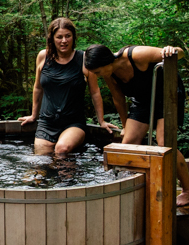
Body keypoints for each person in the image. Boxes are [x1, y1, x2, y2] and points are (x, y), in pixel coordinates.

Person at [85, 43, 189, 206]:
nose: (98, 76)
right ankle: (132, 188)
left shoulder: (137, 55)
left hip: (167, 95)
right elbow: (118, 98)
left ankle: (188, 191)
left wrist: (171, 51)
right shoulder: (109, 74)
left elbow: (180, 53)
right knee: (127, 145)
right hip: (143, 100)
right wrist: (125, 126)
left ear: (106, 63)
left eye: (98, 72)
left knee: (165, 143)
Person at [17, 17, 118, 155]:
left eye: (67, 36)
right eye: (59, 37)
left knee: (61, 149)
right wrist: (34, 115)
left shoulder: (83, 59)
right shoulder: (43, 56)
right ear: (52, 38)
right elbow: (38, 87)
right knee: (40, 160)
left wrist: (101, 121)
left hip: (73, 122)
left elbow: (95, 92)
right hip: (47, 121)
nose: (64, 41)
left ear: (73, 37)